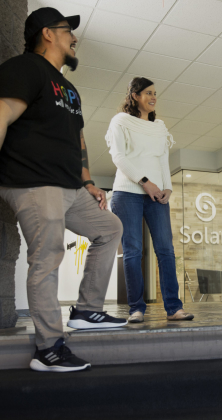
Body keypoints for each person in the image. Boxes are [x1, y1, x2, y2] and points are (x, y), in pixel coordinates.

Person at [0, 7, 126, 372]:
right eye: (67, 30)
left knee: (110, 228)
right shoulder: (23, 67)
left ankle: (86, 310)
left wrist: (87, 181)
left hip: (69, 184)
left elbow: (77, 140)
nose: (74, 37)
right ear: (47, 34)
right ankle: (49, 348)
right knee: (49, 253)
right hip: (33, 181)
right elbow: (4, 113)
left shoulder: (68, 88)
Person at [107, 77, 194, 323]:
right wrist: (146, 182)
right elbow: (118, 157)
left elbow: (162, 160)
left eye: (155, 93)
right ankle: (136, 308)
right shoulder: (120, 121)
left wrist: (167, 187)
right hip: (127, 193)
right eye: (148, 92)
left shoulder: (160, 127)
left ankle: (174, 308)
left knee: (166, 250)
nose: (153, 97)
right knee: (133, 251)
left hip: (157, 194)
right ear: (134, 95)